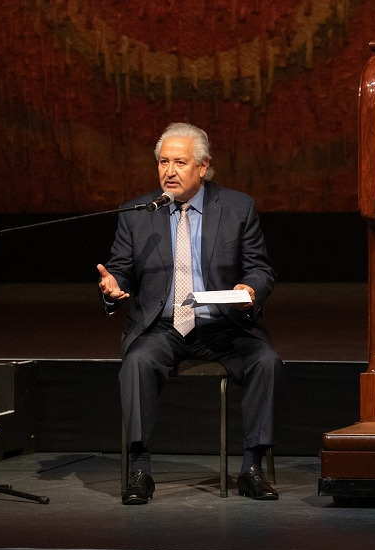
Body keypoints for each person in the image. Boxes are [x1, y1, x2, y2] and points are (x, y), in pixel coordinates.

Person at [97, 122, 281, 505]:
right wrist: (113, 287)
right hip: (162, 329)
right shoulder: (137, 213)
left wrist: (250, 289)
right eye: (163, 162)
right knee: (137, 363)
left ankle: (252, 467)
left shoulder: (237, 208)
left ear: (203, 166)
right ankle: (140, 470)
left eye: (179, 162)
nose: (169, 171)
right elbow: (119, 269)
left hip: (224, 328)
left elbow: (260, 269)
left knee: (265, 361)